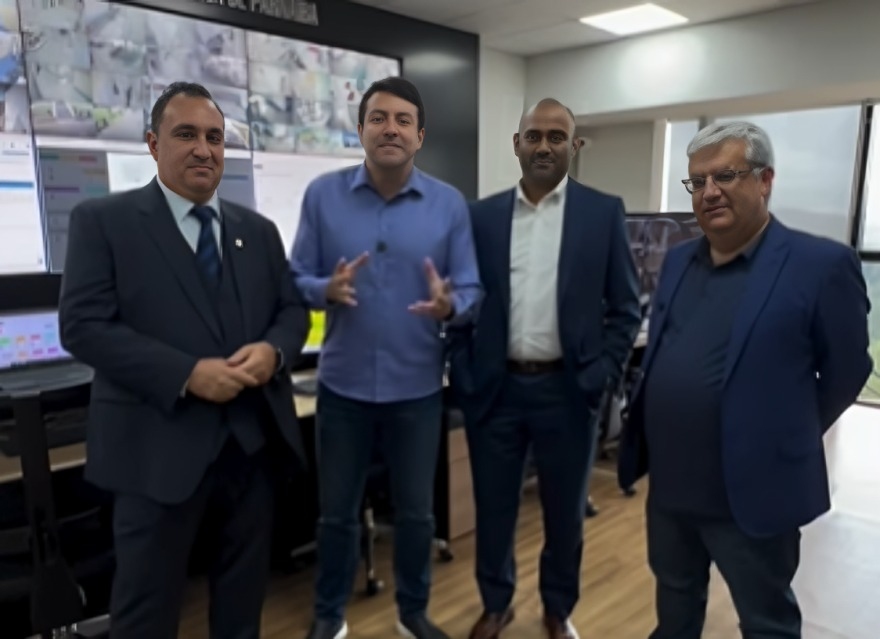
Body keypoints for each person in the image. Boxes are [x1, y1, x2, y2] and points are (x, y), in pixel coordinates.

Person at [58, 81, 309, 639]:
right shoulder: (104, 222)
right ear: (153, 144)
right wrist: (187, 375)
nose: (204, 149)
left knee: (241, 614)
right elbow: (83, 326)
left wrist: (273, 352)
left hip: (251, 452)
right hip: (155, 455)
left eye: (215, 138)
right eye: (187, 135)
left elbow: (292, 311)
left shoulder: (258, 232)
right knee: (145, 618)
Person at [618, 121, 872, 639]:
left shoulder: (820, 265)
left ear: (765, 180)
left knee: (766, 621)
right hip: (671, 488)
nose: (709, 191)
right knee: (675, 608)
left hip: (754, 492)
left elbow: (849, 370)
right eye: (697, 181)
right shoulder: (678, 261)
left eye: (726, 175)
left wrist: (788, 433)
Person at [289, 77, 482, 639]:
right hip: (342, 388)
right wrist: (324, 290)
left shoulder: (448, 204)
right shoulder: (322, 196)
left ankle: (412, 611)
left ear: (420, 136)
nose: (390, 129)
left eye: (402, 120)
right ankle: (329, 614)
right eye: (378, 118)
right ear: (361, 130)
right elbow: (296, 277)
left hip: (417, 389)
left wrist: (450, 305)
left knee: (417, 513)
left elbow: (472, 289)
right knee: (335, 514)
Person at [448, 98, 641, 639]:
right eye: (534, 136)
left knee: (564, 512)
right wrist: (462, 369)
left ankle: (558, 608)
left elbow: (626, 308)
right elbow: (461, 300)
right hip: (496, 390)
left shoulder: (602, 213)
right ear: (517, 144)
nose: (544, 146)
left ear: (573, 146)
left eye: (557, 137)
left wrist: (601, 374)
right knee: (494, 509)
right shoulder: (481, 217)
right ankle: (496, 604)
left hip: (568, 390)